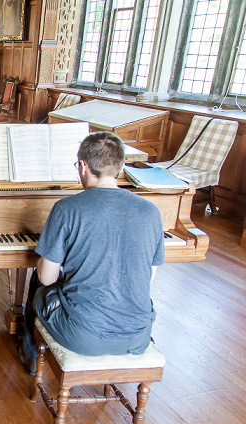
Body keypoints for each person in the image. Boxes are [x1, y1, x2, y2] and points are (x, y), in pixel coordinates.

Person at [17, 131, 165, 376]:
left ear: (84, 166)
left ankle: (30, 356)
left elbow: (47, 279)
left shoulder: (67, 208)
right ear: (121, 166)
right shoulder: (150, 211)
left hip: (83, 336)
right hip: (139, 335)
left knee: (38, 281)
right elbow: (148, 276)